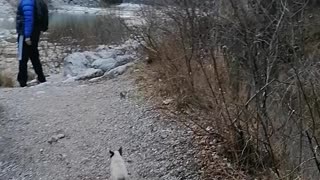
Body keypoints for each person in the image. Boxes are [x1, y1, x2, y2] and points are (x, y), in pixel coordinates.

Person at [16, 0, 48, 87]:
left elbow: (28, 19)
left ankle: (22, 81)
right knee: (34, 55)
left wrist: (27, 36)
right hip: (35, 33)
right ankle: (41, 78)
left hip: (26, 34)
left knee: (22, 57)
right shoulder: (37, 1)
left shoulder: (27, 1)